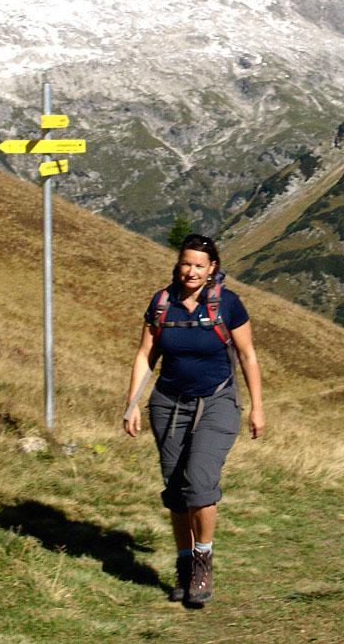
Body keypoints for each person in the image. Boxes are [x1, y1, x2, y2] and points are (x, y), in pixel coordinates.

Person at [122, 234, 264, 605]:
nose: (192, 271)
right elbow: (144, 356)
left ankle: (203, 561)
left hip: (217, 402)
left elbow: (248, 356)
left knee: (199, 484)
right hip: (168, 405)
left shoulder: (228, 304)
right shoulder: (162, 303)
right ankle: (184, 565)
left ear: (212, 268)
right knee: (176, 491)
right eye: (187, 263)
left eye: (200, 265)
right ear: (178, 264)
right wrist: (132, 403)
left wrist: (257, 407)